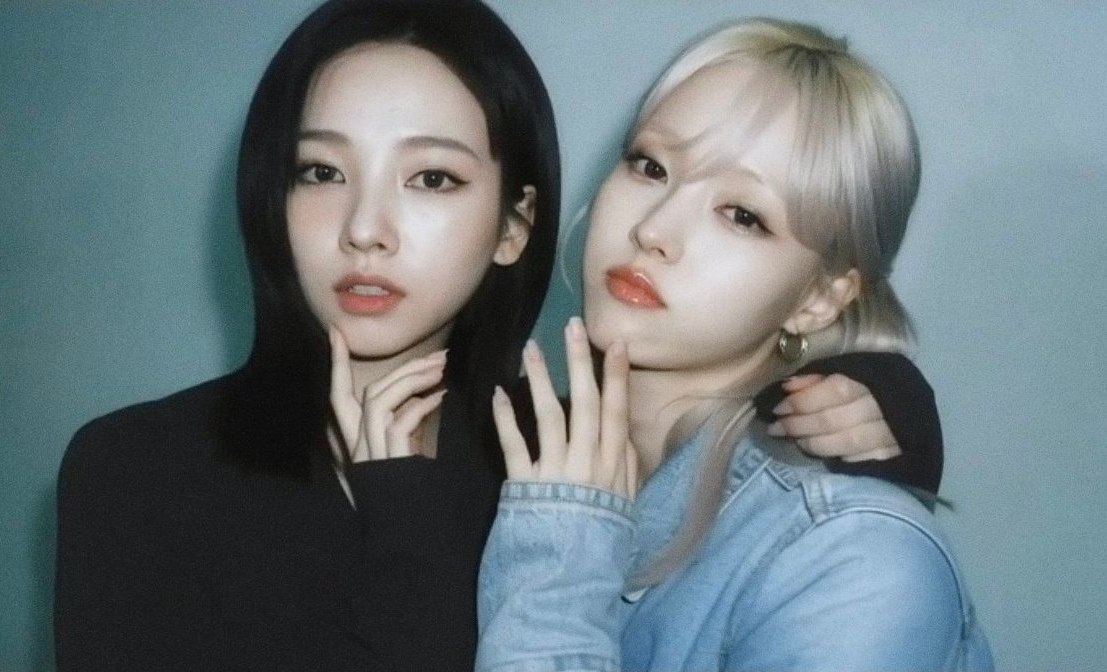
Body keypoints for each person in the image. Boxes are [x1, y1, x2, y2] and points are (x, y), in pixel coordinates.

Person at [55, 2, 946, 670]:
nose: (365, 229)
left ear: (515, 226)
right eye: (321, 171)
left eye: (432, 178)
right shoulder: (136, 467)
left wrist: (876, 403)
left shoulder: (555, 467)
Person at [477, 18, 994, 672]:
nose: (654, 229)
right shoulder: (506, 451)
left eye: (742, 215)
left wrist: (559, 565)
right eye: (650, 166)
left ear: (820, 298)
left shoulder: (853, 556)